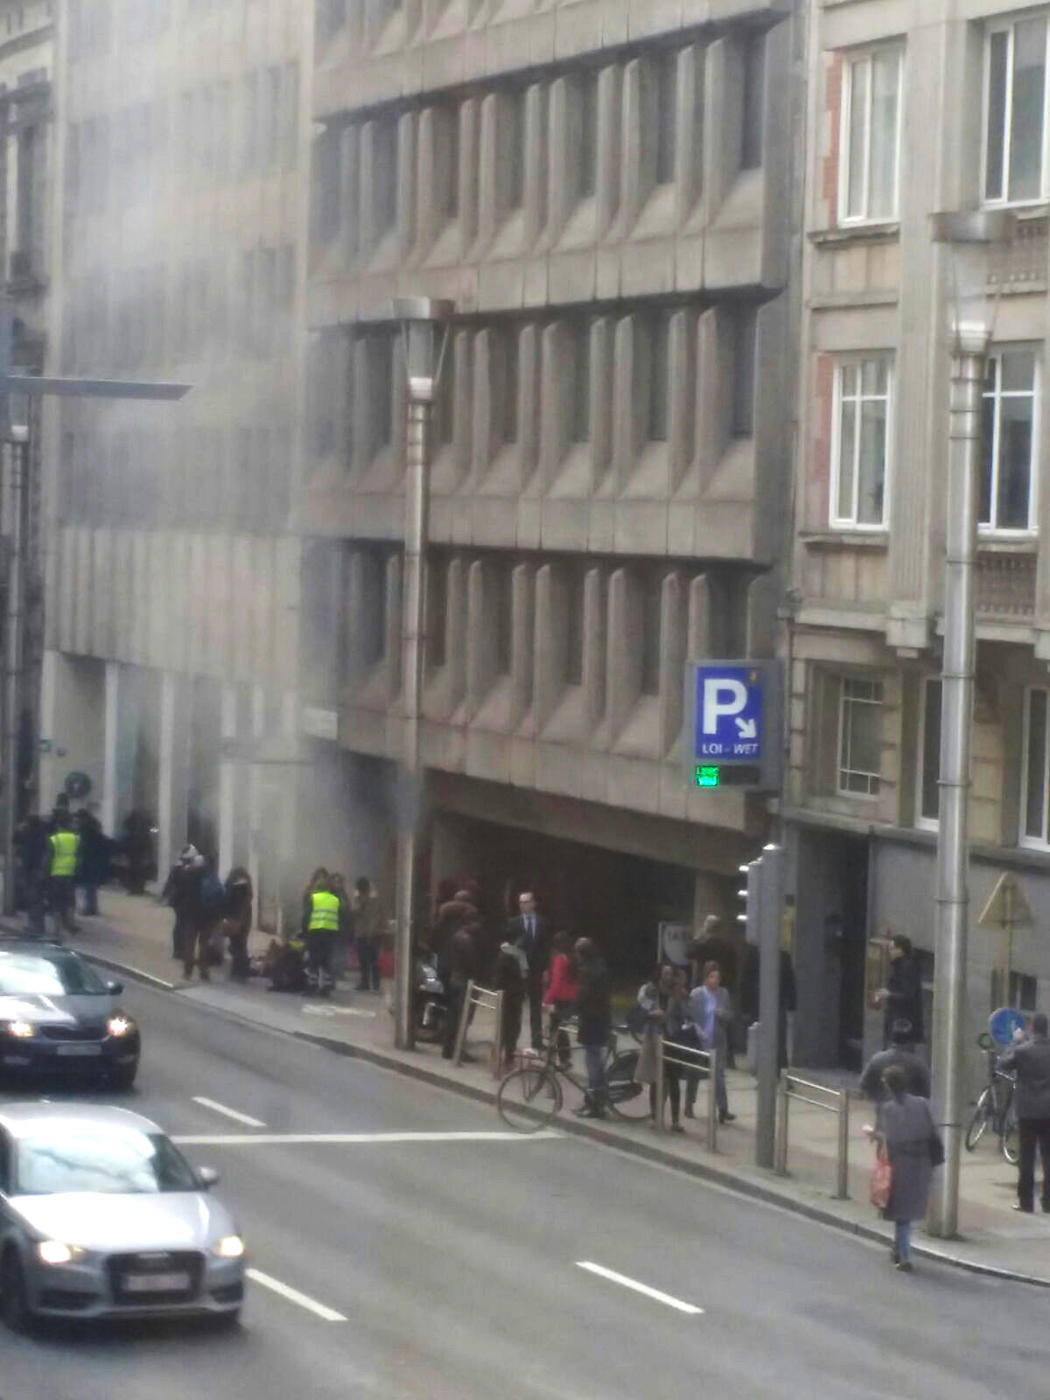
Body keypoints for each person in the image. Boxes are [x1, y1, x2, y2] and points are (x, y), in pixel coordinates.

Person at [867, 1063, 941, 1272]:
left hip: (900, 1164)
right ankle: (899, 1249)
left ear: (888, 1086)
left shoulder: (887, 1109)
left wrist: (873, 1135)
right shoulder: (922, 1104)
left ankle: (904, 1254)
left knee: (901, 1214)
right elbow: (932, 1131)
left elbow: (887, 1137)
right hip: (921, 1163)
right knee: (906, 1213)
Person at [1000, 1013, 1050, 1214]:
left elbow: (1003, 1064)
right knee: (1048, 1157)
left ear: (1032, 1029)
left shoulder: (1022, 1051)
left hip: (1027, 1111)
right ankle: (1048, 1202)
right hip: (1048, 1110)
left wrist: (1015, 1041)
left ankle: (1026, 1202)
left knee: (1027, 1157)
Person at [635, 965, 689, 1131]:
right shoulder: (652, 991)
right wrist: (652, 1014)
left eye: (670, 974)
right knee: (656, 1079)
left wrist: (682, 995)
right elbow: (642, 1011)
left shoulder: (678, 993)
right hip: (655, 1037)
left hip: (672, 1038)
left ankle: (675, 1121)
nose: (667, 976)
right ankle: (655, 1116)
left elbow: (686, 1015)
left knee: (673, 1079)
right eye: (665, 973)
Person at [687, 961, 735, 1123]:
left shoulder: (723, 994)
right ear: (706, 977)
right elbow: (691, 1017)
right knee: (695, 1072)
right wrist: (697, 1031)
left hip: (718, 1040)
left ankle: (723, 1109)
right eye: (712, 977)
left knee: (719, 1075)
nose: (715, 981)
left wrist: (721, 1013)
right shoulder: (697, 994)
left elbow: (730, 1016)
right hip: (700, 1039)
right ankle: (689, 1104)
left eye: (718, 978)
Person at [573, 938, 611, 1119]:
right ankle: (593, 1100)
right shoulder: (601, 968)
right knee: (595, 1060)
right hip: (601, 1020)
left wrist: (567, 1012)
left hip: (590, 1020)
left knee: (593, 1062)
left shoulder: (586, 972)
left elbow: (583, 996)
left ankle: (595, 1103)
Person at [508, 890, 549, 1051]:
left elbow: (545, 946)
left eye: (526, 902)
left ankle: (537, 1040)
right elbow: (509, 945)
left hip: (536, 969)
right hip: (518, 970)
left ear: (533, 903)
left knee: (535, 1006)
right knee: (515, 1006)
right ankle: (511, 1042)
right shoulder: (514, 922)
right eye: (521, 902)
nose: (523, 905)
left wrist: (546, 969)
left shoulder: (542, 922)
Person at [860, 1020, 930, 1104]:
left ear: (891, 1039)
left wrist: (877, 1100)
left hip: (884, 1109)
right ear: (910, 1041)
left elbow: (863, 1084)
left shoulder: (877, 1059)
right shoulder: (917, 1063)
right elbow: (927, 1091)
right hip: (909, 1111)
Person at [877, 934, 924, 1048]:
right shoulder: (899, 966)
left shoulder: (907, 967)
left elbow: (909, 995)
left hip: (903, 1021)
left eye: (892, 949)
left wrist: (889, 995)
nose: (890, 952)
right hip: (898, 1018)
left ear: (901, 950)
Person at [162, 845, 205, 966]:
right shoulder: (185, 870)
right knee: (183, 926)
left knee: (180, 925)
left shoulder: (177, 867)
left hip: (178, 901)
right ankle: (181, 951)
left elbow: (170, 883)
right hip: (183, 901)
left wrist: (165, 895)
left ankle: (179, 950)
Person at [441, 921, 478, 1060]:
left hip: (454, 977)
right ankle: (457, 1051)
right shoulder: (466, 940)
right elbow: (470, 963)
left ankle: (447, 1048)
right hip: (463, 980)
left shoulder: (454, 936)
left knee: (452, 1015)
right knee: (462, 1017)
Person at [542, 932, 578, 1071]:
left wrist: (546, 1000)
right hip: (570, 997)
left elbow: (556, 982)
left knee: (555, 1029)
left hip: (559, 998)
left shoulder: (559, 959)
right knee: (560, 1028)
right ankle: (563, 1058)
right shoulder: (572, 957)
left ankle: (558, 1059)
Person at [493, 940, 527, 1073]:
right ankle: (508, 1059)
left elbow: (497, 977)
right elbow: (524, 975)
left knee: (503, 1027)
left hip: (505, 996)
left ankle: (497, 1055)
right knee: (512, 1029)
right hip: (515, 996)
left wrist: (496, 989)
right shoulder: (519, 956)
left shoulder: (503, 956)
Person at [304, 874, 341, 996]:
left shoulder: (314, 898)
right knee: (327, 961)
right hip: (331, 933)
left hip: (316, 931)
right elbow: (340, 917)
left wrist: (305, 931)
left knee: (314, 960)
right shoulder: (335, 900)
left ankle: (312, 986)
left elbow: (307, 916)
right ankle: (326, 987)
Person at [46, 811, 81, 938]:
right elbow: (79, 855)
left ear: (58, 826)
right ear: (70, 825)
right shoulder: (76, 839)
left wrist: (46, 873)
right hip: (70, 873)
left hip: (56, 874)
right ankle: (71, 925)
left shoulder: (54, 840)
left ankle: (57, 930)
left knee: (56, 901)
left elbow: (48, 858)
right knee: (70, 901)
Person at [75, 806, 109, 918]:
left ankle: (89, 908)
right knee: (91, 886)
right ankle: (93, 908)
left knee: (88, 885)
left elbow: (83, 845)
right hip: (95, 859)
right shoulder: (95, 826)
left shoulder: (86, 829)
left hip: (88, 859)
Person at [353, 877, 384, 992]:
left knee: (372, 960)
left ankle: (373, 984)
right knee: (364, 960)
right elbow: (355, 913)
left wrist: (371, 933)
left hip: (371, 934)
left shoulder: (373, 900)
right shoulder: (358, 900)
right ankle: (366, 982)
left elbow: (375, 917)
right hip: (365, 934)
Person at [224, 866, 254, 982]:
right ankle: (241, 970)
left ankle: (237, 970)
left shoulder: (231, 885)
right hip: (242, 919)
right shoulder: (246, 887)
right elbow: (247, 902)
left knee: (236, 944)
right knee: (241, 944)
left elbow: (226, 900)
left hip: (234, 919)